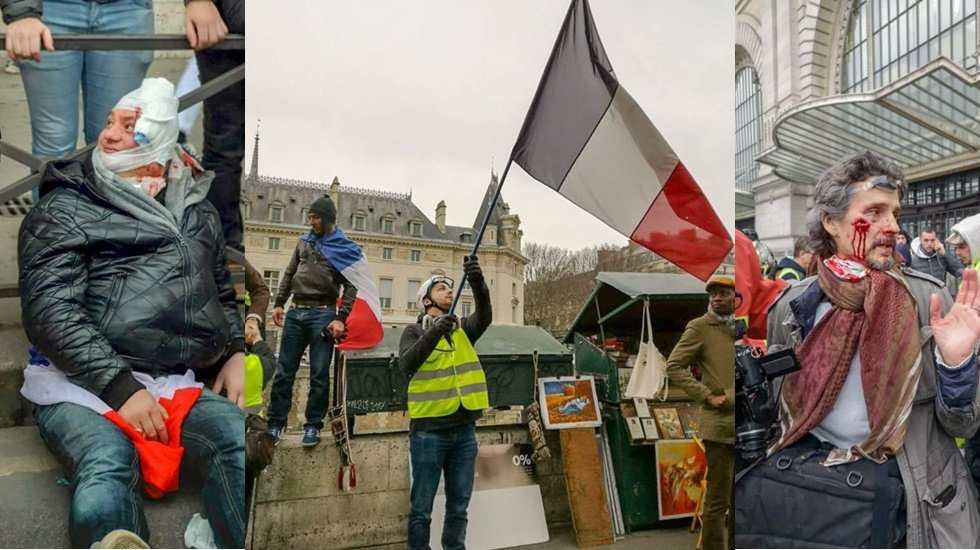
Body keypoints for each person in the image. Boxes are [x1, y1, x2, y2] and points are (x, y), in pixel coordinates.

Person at [17, 78, 245, 549]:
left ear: (159, 150)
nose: (108, 135)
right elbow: (49, 309)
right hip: (80, 383)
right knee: (105, 459)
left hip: (171, 382)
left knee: (236, 441)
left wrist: (236, 349)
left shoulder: (195, 208)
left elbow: (221, 291)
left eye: (128, 128)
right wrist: (121, 388)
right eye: (109, 123)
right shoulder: (66, 205)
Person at [736, 151, 980, 548]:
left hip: (910, 506)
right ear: (831, 222)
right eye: (876, 211)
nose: (894, 228)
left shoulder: (928, 300)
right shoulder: (793, 307)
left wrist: (958, 368)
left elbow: (963, 426)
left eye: (895, 213)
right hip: (817, 506)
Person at [3, 0, 229, 203]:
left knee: (119, 146)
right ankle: (51, 240)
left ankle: (109, 239)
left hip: (126, 9)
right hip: (50, 9)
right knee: (53, 146)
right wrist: (22, 11)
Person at [399, 257, 491, 550]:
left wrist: (477, 281)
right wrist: (436, 329)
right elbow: (407, 364)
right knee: (421, 510)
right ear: (426, 301)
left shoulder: (462, 329)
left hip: (463, 432)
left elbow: (485, 316)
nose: (449, 292)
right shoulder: (412, 332)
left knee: (458, 508)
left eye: (450, 289)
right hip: (428, 433)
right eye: (441, 288)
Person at [266, 196, 357, 447]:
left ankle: (313, 426)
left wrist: (340, 318)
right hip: (296, 311)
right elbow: (289, 272)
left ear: (327, 218)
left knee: (319, 374)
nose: (311, 222)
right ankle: (275, 424)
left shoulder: (343, 247)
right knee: (284, 372)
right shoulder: (303, 243)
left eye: (315, 217)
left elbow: (351, 286)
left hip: (323, 313)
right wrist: (278, 302)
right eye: (309, 217)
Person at [665, 276, 736, 550]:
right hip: (719, 428)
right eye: (712, 295)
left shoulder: (740, 327)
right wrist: (707, 396)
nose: (716, 298)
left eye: (723, 293)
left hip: (747, 426)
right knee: (718, 502)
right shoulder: (700, 327)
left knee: (741, 501)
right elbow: (673, 367)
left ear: (735, 297)